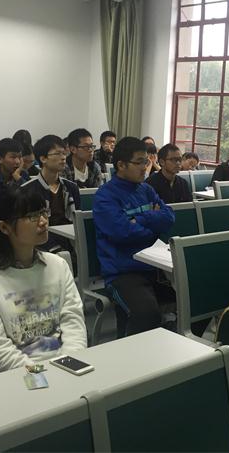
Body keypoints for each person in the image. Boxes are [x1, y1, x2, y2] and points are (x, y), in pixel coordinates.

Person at [0, 185, 86, 376]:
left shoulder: (57, 265)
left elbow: (73, 321)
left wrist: (69, 364)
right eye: (32, 217)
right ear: (4, 227)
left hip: (65, 367)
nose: (43, 222)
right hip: (15, 377)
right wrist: (42, 374)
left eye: (43, 212)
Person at [93, 137, 176, 336]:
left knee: (200, 298)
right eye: (139, 162)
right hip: (123, 273)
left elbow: (169, 217)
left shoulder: (146, 190)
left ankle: (171, 341)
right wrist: (153, 227)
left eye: (146, 161)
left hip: (156, 267)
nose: (145, 167)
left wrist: (140, 219)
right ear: (121, 165)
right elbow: (122, 233)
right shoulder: (105, 196)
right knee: (146, 314)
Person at [23, 135, 80, 256]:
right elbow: (29, 228)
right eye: (57, 154)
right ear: (43, 158)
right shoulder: (28, 189)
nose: (63, 158)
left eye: (64, 153)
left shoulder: (71, 188)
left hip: (71, 241)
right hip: (41, 243)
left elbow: (78, 222)